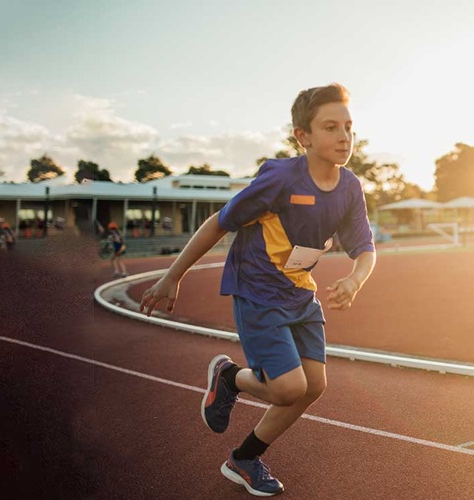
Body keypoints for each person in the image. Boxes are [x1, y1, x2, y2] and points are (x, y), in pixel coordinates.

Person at [139, 83, 375, 496]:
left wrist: (355, 279)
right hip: (258, 292)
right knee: (288, 388)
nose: (344, 137)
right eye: (331, 127)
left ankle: (244, 459)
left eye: (349, 127)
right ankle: (230, 376)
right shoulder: (279, 179)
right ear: (303, 135)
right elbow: (219, 222)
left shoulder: (350, 187)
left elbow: (365, 248)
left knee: (314, 386)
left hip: (301, 292)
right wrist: (173, 275)